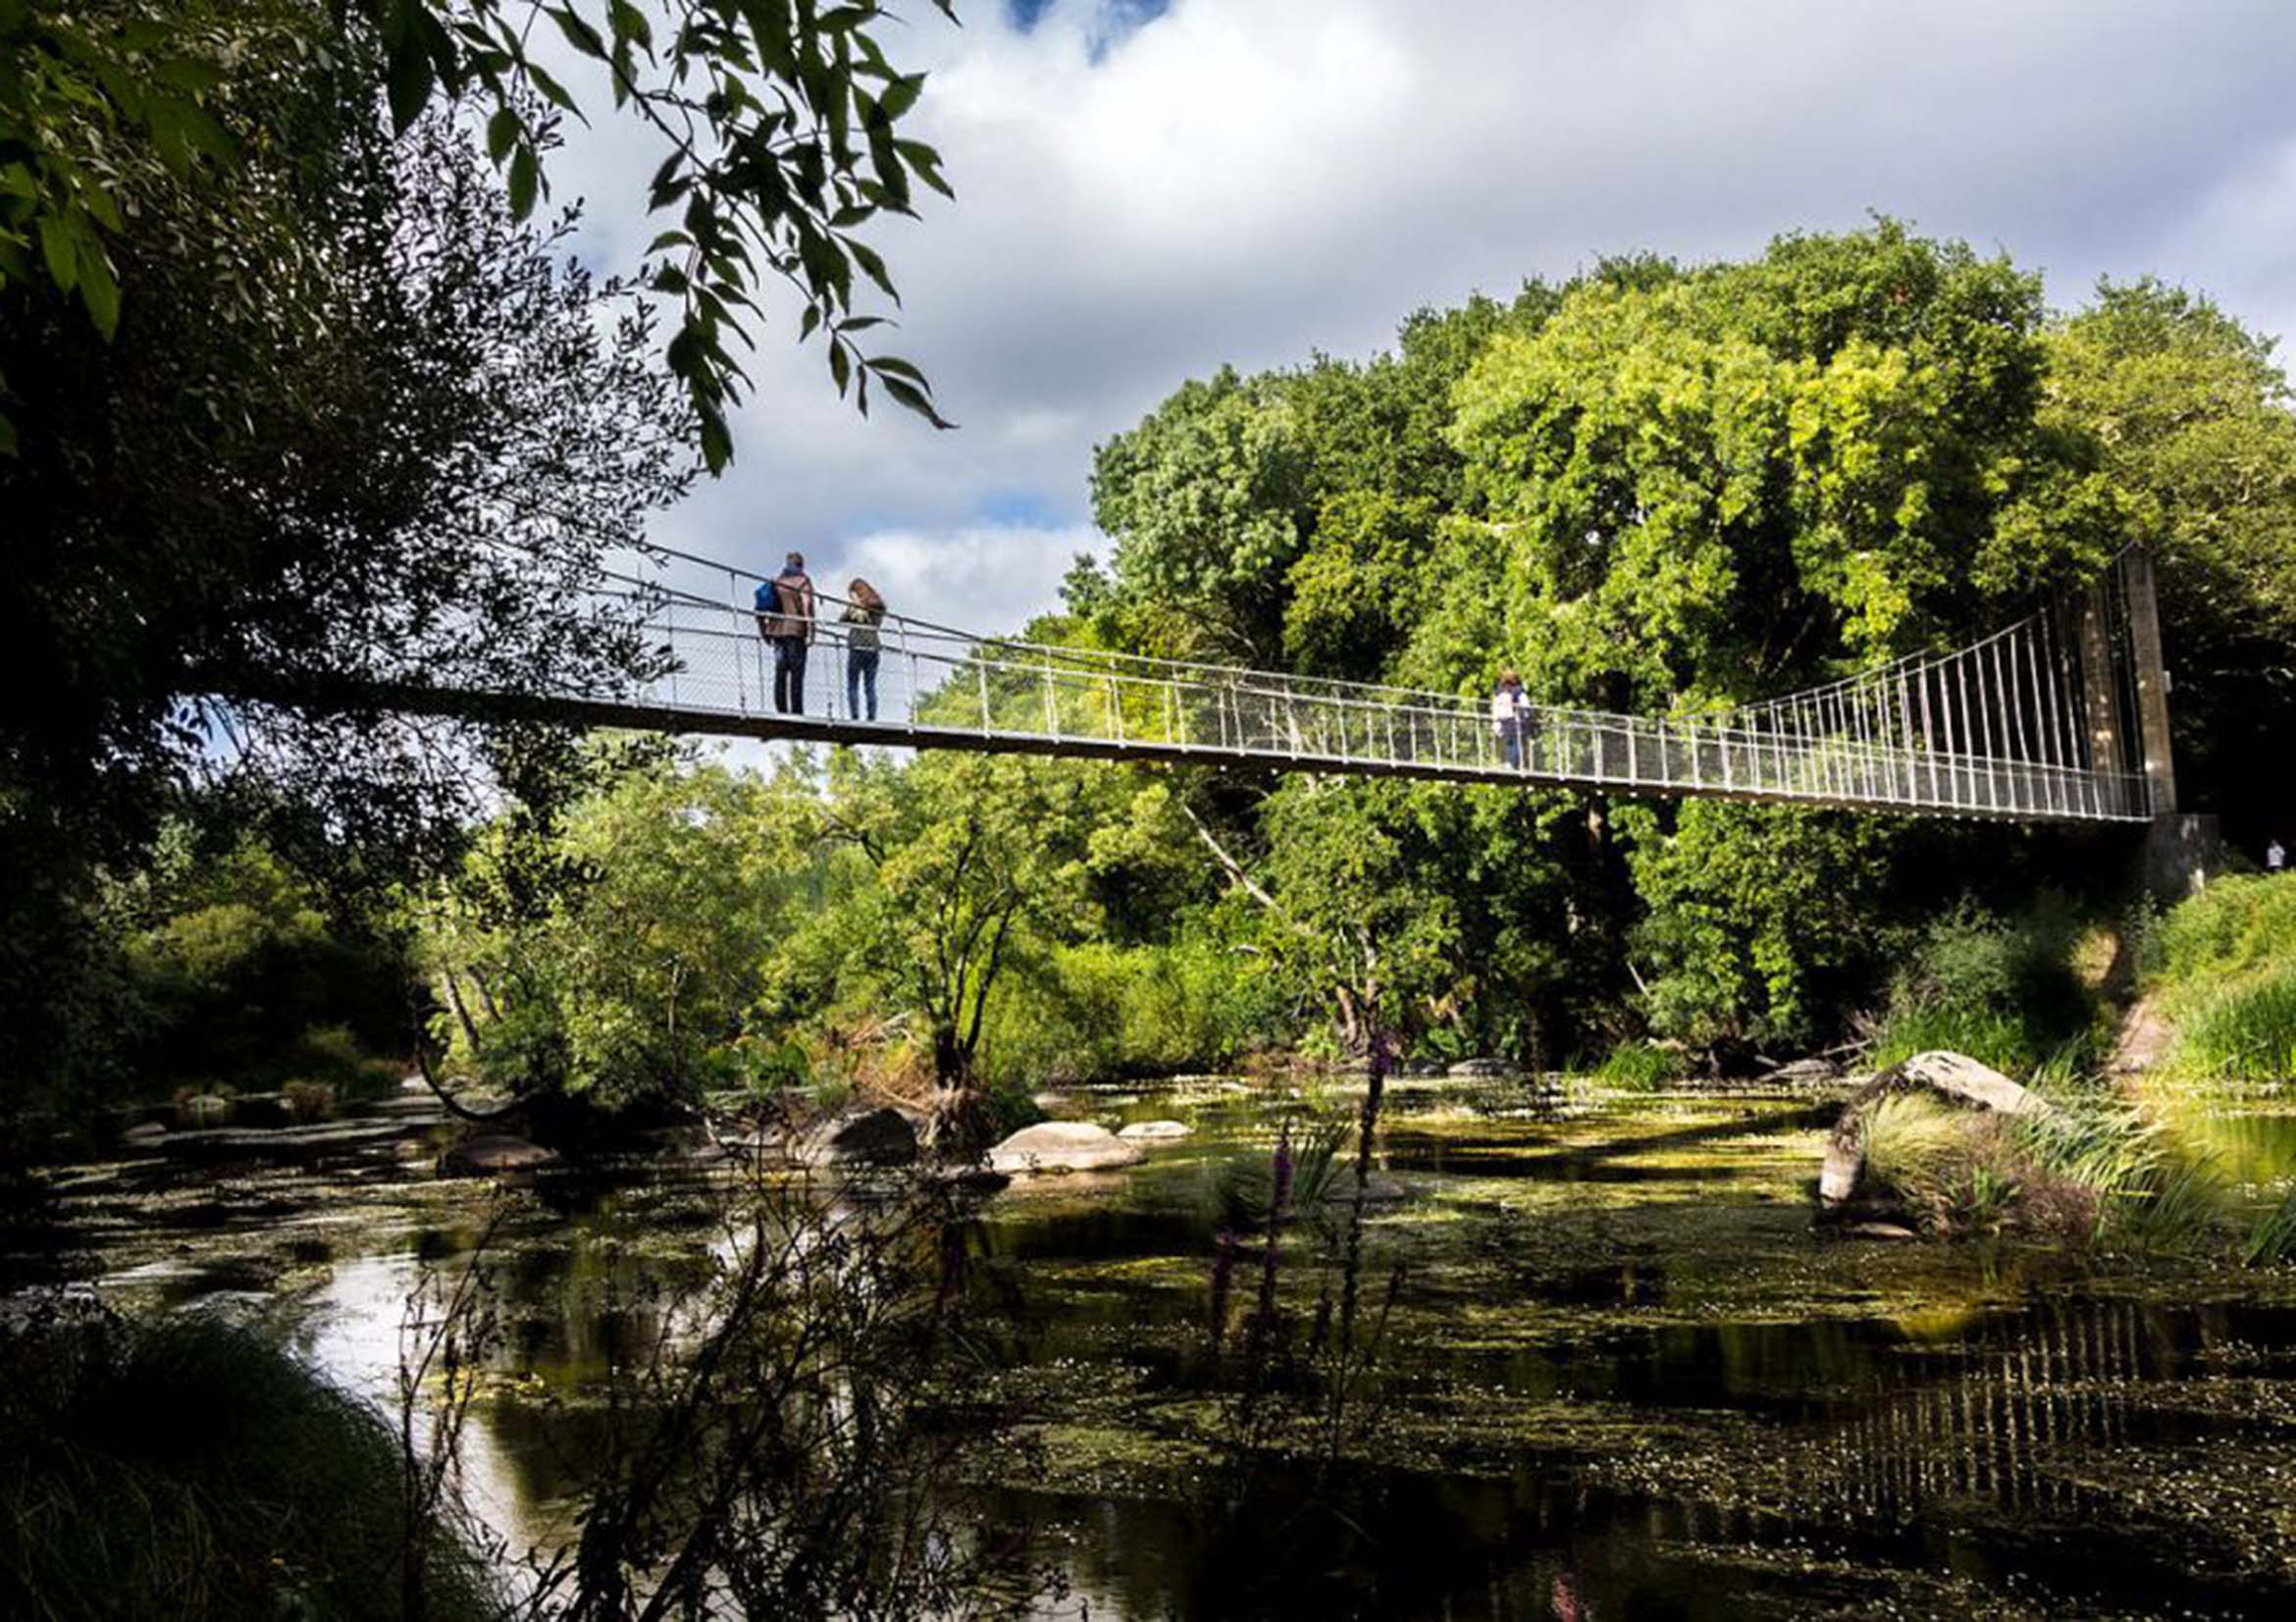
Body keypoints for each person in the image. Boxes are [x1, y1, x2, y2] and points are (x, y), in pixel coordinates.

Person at [754, 551, 815, 714]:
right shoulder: (803, 581)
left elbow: (759, 608)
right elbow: (807, 606)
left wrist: (763, 632)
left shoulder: (776, 582)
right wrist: (811, 631)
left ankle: (781, 710)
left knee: (780, 672)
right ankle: (796, 712)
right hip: (795, 632)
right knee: (796, 674)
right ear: (801, 565)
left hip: (776, 633)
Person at [841, 577, 886, 721]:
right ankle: (871, 717)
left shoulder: (859, 607)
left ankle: (855, 716)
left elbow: (842, 620)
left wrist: (855, 605)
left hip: (856, 646)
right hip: (873, 647)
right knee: (870, 686)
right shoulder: (878, 604)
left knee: (852, 685)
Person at [1491, 669, 1528, 769]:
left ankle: (1507, 763)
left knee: (1508, 742)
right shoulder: (1518, 691)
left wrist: (1495, 720)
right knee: (1514, 742)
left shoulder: (1499, 691)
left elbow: (1494, 706)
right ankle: (1513, 764)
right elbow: (1526, 706)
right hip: (1515, 722)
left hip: (1501, 722)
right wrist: (1526, 716)